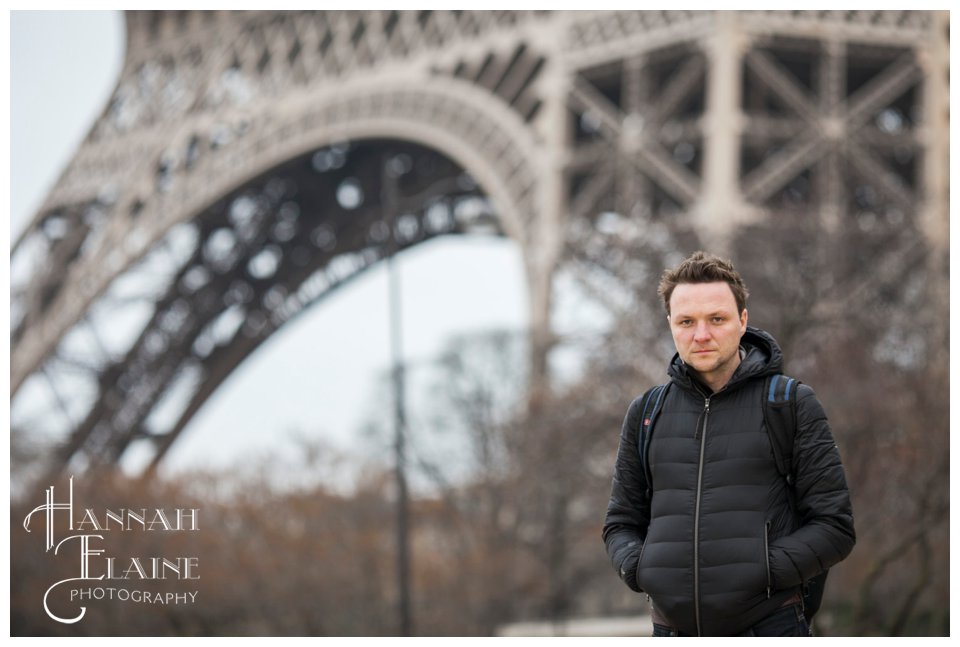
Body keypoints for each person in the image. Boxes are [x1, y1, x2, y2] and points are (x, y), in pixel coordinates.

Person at [602, 251, 855, 637]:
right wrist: (643, 569)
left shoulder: (789, 403)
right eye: (687, 321)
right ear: (670, 324)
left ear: (743, 321)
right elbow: (620, 523)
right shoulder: (646, 412)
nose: (701, 334)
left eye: (716, 319)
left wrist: (763, 571)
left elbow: (835, 527)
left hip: (768, 628)